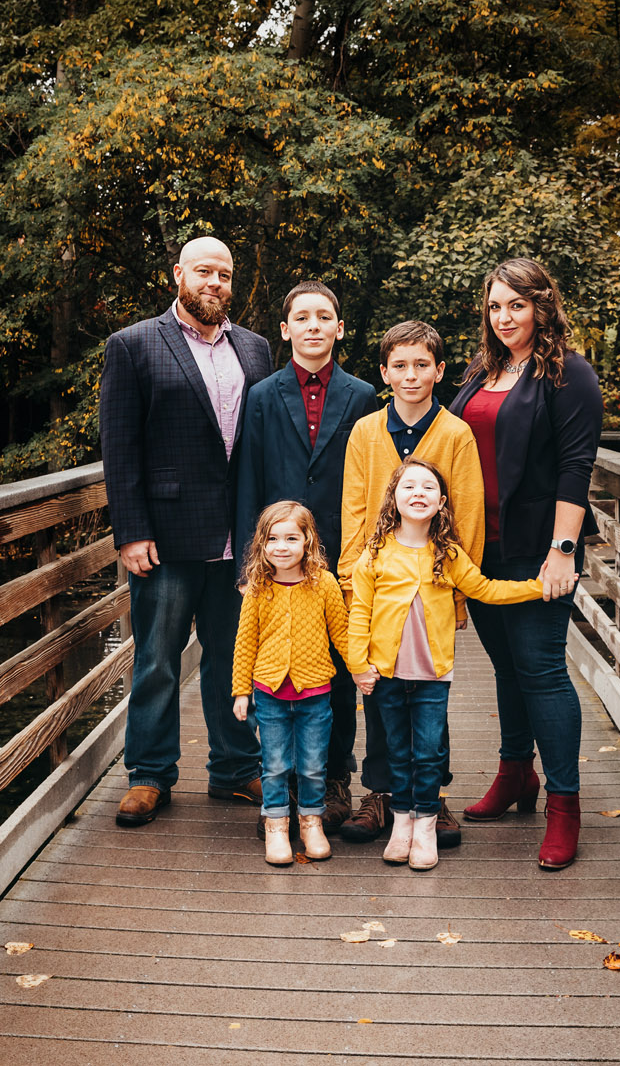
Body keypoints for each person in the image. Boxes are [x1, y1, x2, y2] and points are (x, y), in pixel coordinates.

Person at [99, 236, 273, 827]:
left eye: (225, 274)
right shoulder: (134, 345)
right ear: (178, 274)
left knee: (234, 658)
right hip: (166, 537)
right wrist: (130, 530)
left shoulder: (255, 349)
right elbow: (119, 447)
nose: (215, 283)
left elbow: (260, 443)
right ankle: (149, 774)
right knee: (157, 658)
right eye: (204, 271)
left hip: (240, 539)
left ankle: (233, 769)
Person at [449, 257, 603, 870]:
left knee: (541, 669)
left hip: (539, 546)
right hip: (480, 546)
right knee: (506, 668)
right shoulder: (481, 371)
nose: (505, 316)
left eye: (517, 304)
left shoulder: (569, 375)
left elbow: (575, 467)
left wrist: (563, 551)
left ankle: (564, 806)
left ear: (541, 305)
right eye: (495, 306)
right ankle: (516, 775)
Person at [345, 457, 556, 870]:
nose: (418, 493)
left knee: (427, 751)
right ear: (393, 498)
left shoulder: (449, 553)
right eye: (409, 487)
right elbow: (359, 613)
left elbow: (486, 590)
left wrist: (538, 588)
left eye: (428, 488)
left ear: (442, 502)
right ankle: (401, 821)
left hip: (431, 677)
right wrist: (358, 665)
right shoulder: (374, 554)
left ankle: (425, 824)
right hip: (385, 674)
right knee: (397, 751)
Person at [336, 321, 485, 848]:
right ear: (383, 373)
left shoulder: (455, 433)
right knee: (379, 694)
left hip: (435, 590)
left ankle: (431, 795)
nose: (411, 374)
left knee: (429, 697)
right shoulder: (365, 432)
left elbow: (467, 513)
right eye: (399, 365)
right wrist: (352, 582)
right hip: (378, 587)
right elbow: (354, 509)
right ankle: (381, 791)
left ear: (440, 370)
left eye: (422, 364)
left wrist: (461, 591)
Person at [235, 281, 377, 833]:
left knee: (337, 669)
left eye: (324, 317)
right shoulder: (263, 396)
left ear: (339, 329)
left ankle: (334, 775)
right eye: (303, 317)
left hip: (338, 556)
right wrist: (253, 566)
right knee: (278, 670)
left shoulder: (362, 394)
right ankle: (284, 781)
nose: (313, 325)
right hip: (280, 558)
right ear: (286, 329)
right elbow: (249, 480)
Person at [231, 502, 351, 865]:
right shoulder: (258, 588)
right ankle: (276, 824)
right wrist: (241, 690)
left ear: (308, 541)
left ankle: (310, 822)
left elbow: (341, 633)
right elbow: (245, 640)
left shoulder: (324, 584)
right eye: (272, 539)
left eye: (291, 538)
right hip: (269, 693)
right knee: (276, 763)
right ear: (261, 544)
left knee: (314, 763)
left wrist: (361, 669)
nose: (281, 546)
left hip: (315, 691)